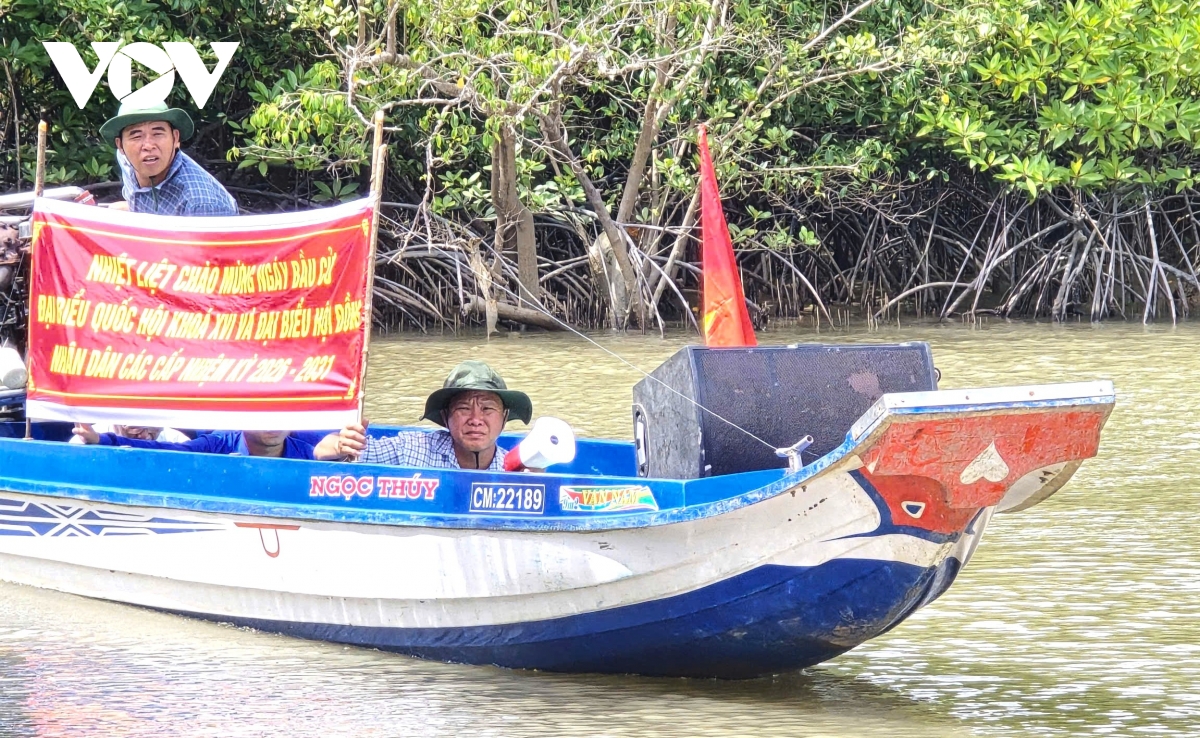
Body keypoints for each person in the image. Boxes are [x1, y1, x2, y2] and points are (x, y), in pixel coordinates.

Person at [315, 360, 532, 470]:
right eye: (464, 408)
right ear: (446, 416)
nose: (475, 419)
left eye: (487, 409)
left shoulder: (513, 469)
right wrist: (342, 445)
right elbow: (321, 449)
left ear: (504, 418)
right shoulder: (413, 448)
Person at [99, 100, 238, 216]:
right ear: (120, 146)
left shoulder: (201, 204)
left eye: (157, 134)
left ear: (176, 138)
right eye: (136, 136)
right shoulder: (127, 161)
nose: (148, 145)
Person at [70, 426, 315, 460]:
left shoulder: (303, 453)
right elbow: (167, 450)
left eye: (281, 414)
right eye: (262, 414)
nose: (272, 424)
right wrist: (102, 440)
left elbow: (328, 449)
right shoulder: (216, 446)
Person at [67, 423, 189, 445]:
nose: (143, 436)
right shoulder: (86, 439)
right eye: (136, 431)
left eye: (151, 430)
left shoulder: (176, 439)